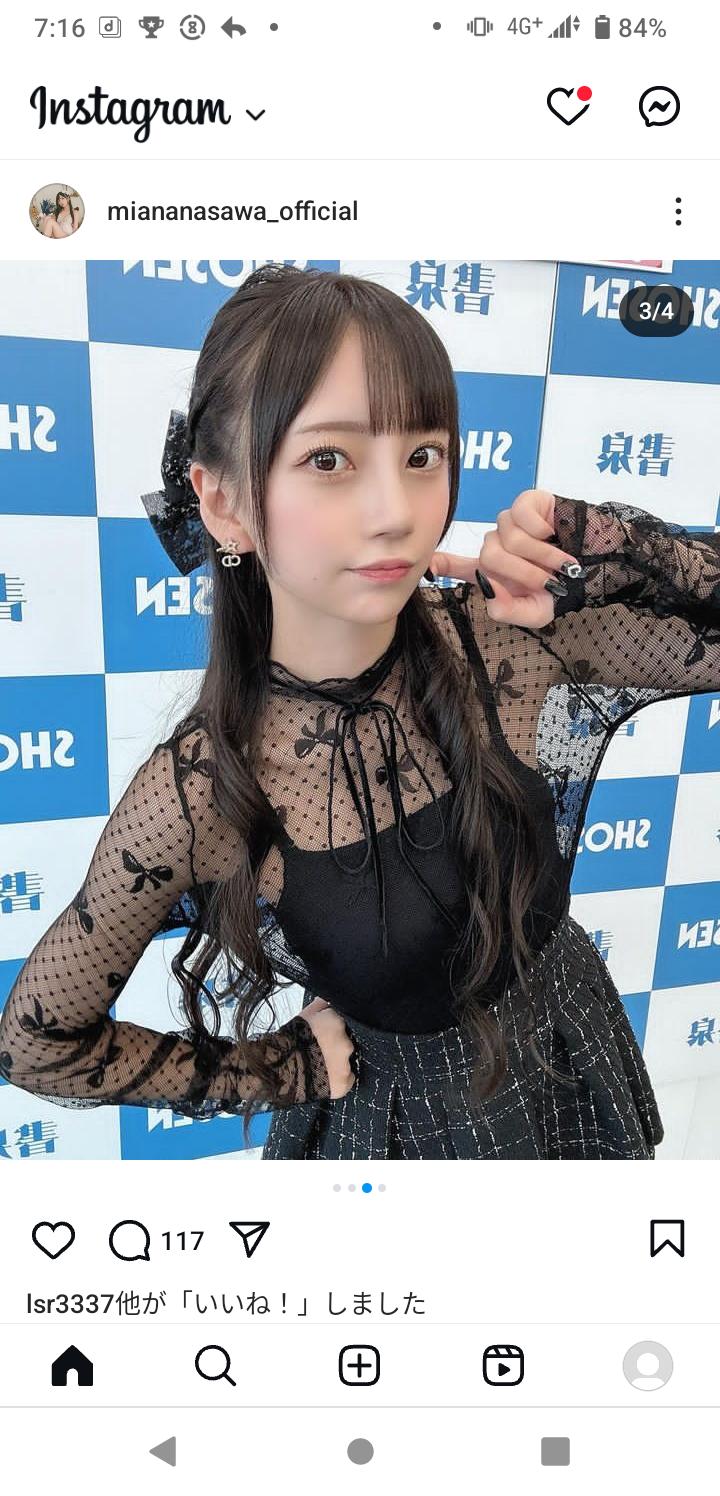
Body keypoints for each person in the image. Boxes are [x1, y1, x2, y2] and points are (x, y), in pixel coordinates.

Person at [2, 263, 720, 1161]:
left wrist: (619, 550)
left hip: (571, 1047)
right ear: (223, 502)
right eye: (329, 460)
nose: (396, 513)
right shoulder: (200, 792)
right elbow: (37, 1043)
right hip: (403, 1127)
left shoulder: (509, 637)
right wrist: (276, 1069)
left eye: (422, 457)